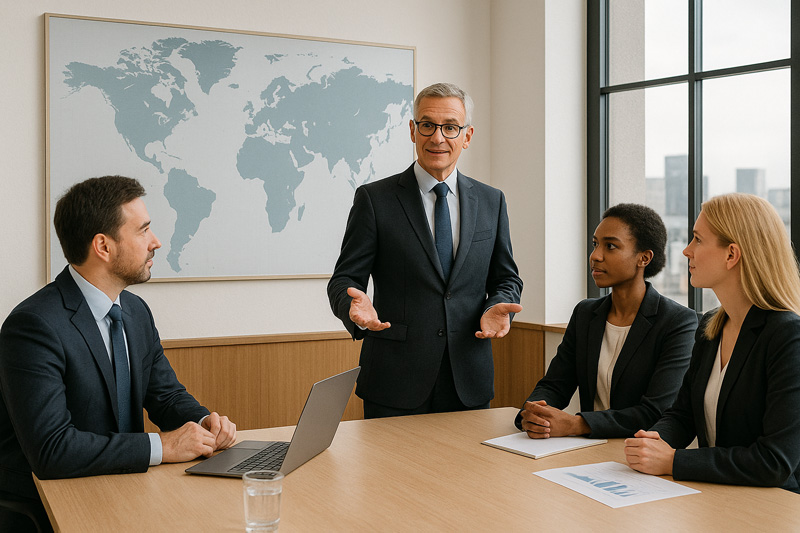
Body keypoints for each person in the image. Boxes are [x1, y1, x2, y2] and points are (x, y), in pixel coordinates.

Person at [0, 176, 237, 531]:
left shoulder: (135, 311)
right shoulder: (34, 326)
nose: (156, 242)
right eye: (143, 230)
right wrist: (162, 446)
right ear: (103, 246)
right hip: (55, 507)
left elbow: (166, 396)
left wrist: (205, 424)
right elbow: (52, 449)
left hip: (127, 488)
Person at [327, 82, 523, 418]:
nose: (438, 138)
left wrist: (497, 305)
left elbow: (507, 278)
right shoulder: (375, 199)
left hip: (469, 378)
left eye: (450, 127)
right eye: (428, 125)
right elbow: (344, 279)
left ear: (467, 135)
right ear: (412, 130)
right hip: (394, 381)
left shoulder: (492, 201)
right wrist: (353, 308)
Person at [624, 193, 800, 493]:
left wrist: (673, 461)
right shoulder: (710, 326)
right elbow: (683, 416)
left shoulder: (788, 336)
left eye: (697, 239)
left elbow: (774, 461)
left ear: (731, 255)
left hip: (772, 506)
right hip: (717, 495)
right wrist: (652, 441)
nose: (686, 251)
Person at [517, 204, 696, 438]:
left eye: (610, 246)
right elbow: (554, 385)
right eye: (595, 244)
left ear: (644, 258)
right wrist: (535, 414)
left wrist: (577, 424)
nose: (595, 256)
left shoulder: (678, 322)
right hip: (586, 448)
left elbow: (655, 412)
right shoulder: (585, 313)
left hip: (638, 450)